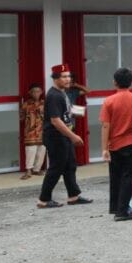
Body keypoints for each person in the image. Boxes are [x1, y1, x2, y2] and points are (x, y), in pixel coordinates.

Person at [36, 64, 91, 208]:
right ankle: (43, 199)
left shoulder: (62, 92)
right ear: (55, 78)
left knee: (70, 165)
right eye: (64, 76)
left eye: (69, 76)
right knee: (56, 167)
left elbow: (65, 112)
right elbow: (55, 120)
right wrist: (73, 136)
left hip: (64, 136)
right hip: (56, 137)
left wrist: (77, 112)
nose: (68, 79)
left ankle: (73, 196)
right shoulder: (53, 95)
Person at [100, 68, 132, 221]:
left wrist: (104, 148)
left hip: (114, 144)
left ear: (114, 82)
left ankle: (115, 207)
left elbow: (105, 125)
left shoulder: (108, 101)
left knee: (115, 176)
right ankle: (123, 210)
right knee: (128, 176)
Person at [20, 83, 45, 180]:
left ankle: (37, 169)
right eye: (34, 92)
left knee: (42, 150)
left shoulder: (44, 104)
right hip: (30, 132)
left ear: (41, 92)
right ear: (30, 93)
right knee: (30, 150)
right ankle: (28, 170)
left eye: (38, 91)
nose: (36, 94)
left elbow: (50, 117)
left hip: (42, 131)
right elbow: (21, 118)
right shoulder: (26, 104)